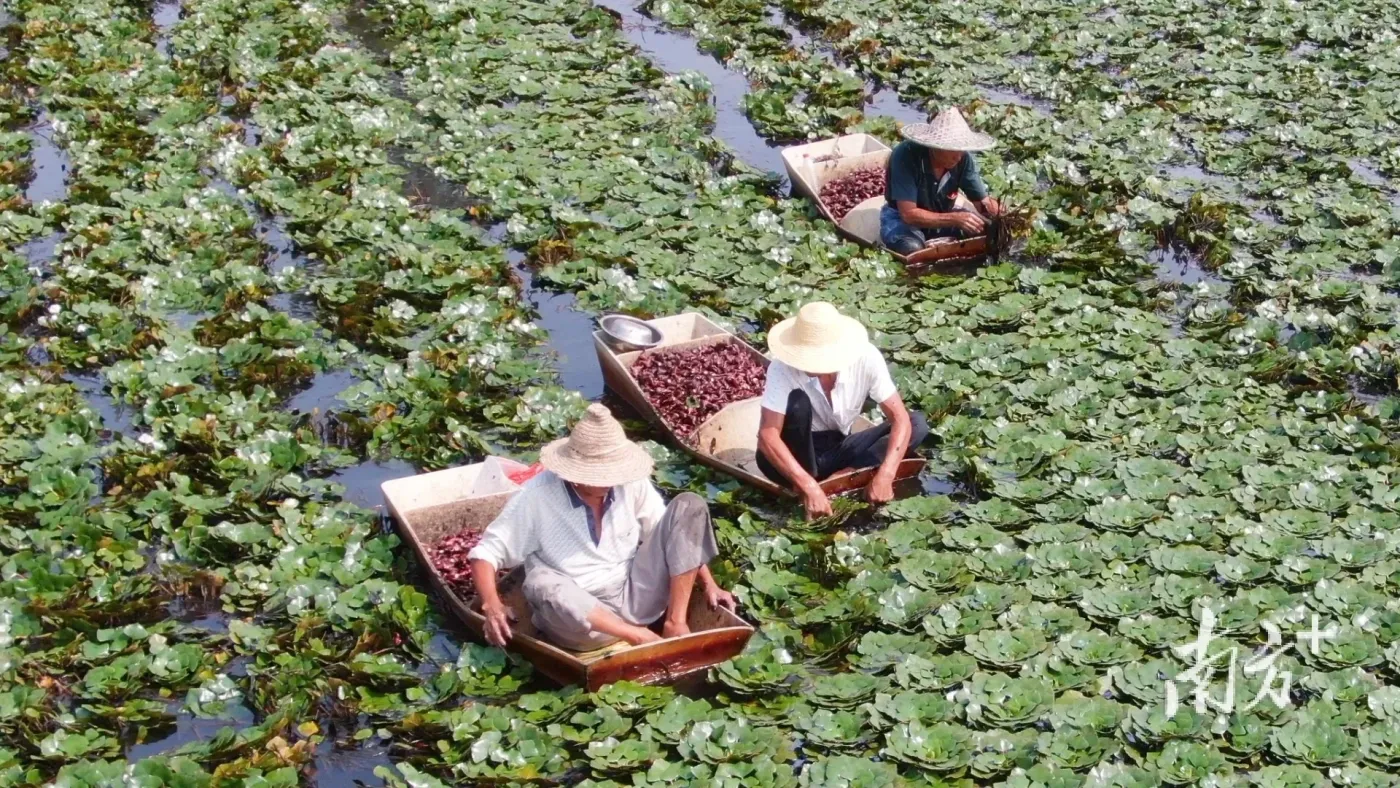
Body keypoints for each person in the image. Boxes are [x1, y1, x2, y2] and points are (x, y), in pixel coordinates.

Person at [468, 404, 735, 651]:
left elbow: (676, 536)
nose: (610, 482)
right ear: (574, 472)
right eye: (602, 477)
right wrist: (492, 605)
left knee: (690, 505)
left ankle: (675, 623)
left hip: (635, 597)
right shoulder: (536, 496)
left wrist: (709, 583)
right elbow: (485, 554)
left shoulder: (628, 481)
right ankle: (637, 635)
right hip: (581, 625)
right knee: (539, 579)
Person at [756, 302, 929, 518]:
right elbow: (767, 436)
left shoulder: (866, 358)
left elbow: (900, 418)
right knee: (798, 401)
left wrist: (886, 474)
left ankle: (847, 472)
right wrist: (808, 486)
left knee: (917, 424)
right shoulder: (782, 369)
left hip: (837, 445)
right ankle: (810, 480)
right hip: (796, 451)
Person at [880, 107, 1002, 256]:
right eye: (952, 149)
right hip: (902, 219)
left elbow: (981, 202)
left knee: (987, 234)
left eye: (961, 149)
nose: (958, 156)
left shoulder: (963, 159)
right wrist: (954, 219)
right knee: (913, 249)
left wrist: (1000, 216)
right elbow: (908, 214)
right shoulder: (906, 155)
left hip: (943, 213)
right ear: (935, 146)